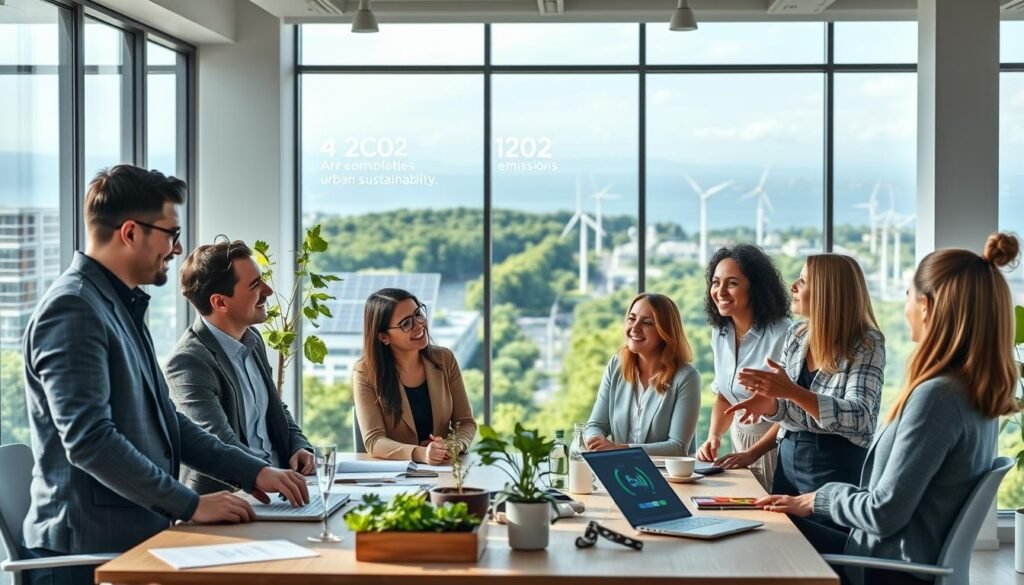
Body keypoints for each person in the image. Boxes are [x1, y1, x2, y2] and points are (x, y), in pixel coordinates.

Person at [20, 165, 308, 585]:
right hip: (87, 556)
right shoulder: (75, 309)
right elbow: (90, 442)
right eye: (171, 234)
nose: (177, 249)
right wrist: (189, 504)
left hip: (134, 543)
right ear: (131, 232)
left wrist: (253, 471)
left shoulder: (118, 307)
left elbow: (167, 422)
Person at [756, 233, 1021, 585]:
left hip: (886, 570)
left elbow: (884, 513)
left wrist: (819, 498)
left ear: (926, 307)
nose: (904, 305)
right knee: (768, 527)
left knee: (758, 539)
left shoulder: (938, 398)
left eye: (908, 294)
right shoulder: (974, 393)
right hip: (889, 559)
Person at [726, 254, 885, 497]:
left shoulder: (867, 343)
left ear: (827, 291)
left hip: (835, 470)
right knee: (783, 534)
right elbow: (788, 409)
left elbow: (859, 415)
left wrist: (790, 391)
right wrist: (769, 404)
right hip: (787, 461)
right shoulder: (797, 334)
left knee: (821, 536)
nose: (793, 286)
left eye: (803, 280)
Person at [166, 239, 315, 494]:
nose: (268, 291)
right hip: (233, 496)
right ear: (220, 303)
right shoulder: (188, 362)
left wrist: (299, 446)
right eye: (255, 285)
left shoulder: (253, 340)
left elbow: (276, 409)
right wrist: (270, 474)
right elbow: (219, 442)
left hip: (282, 488)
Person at [696, 244, 792, 490]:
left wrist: (755, 452)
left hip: (776, 447)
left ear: (755, 287)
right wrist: (714, 436)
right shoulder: (720, 333)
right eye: (716, 282)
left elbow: (793, 410)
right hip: (740, 446)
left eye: (732, 283)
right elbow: (724, 395)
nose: (720, 291)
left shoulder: (784, 333)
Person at [353, 288, 477, 462]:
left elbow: (466, 422)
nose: (419, 324)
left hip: (443, 470)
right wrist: (421, 454)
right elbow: (374, 441)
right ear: (383, 337)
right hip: (394, 477)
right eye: (406, 323)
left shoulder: (444, 359)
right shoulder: (365, 372)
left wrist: (451, 445)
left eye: (418, 313)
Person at [583, 293, 701, 456]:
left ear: (664, 331)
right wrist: (595, 440)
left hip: (667, 476)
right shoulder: (616, 365)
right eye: (631, 319)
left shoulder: (686, 377)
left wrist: (620, 450)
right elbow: (595, 424)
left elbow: (678, 447)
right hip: (620, 472)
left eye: (647, 323)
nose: (635, 328)